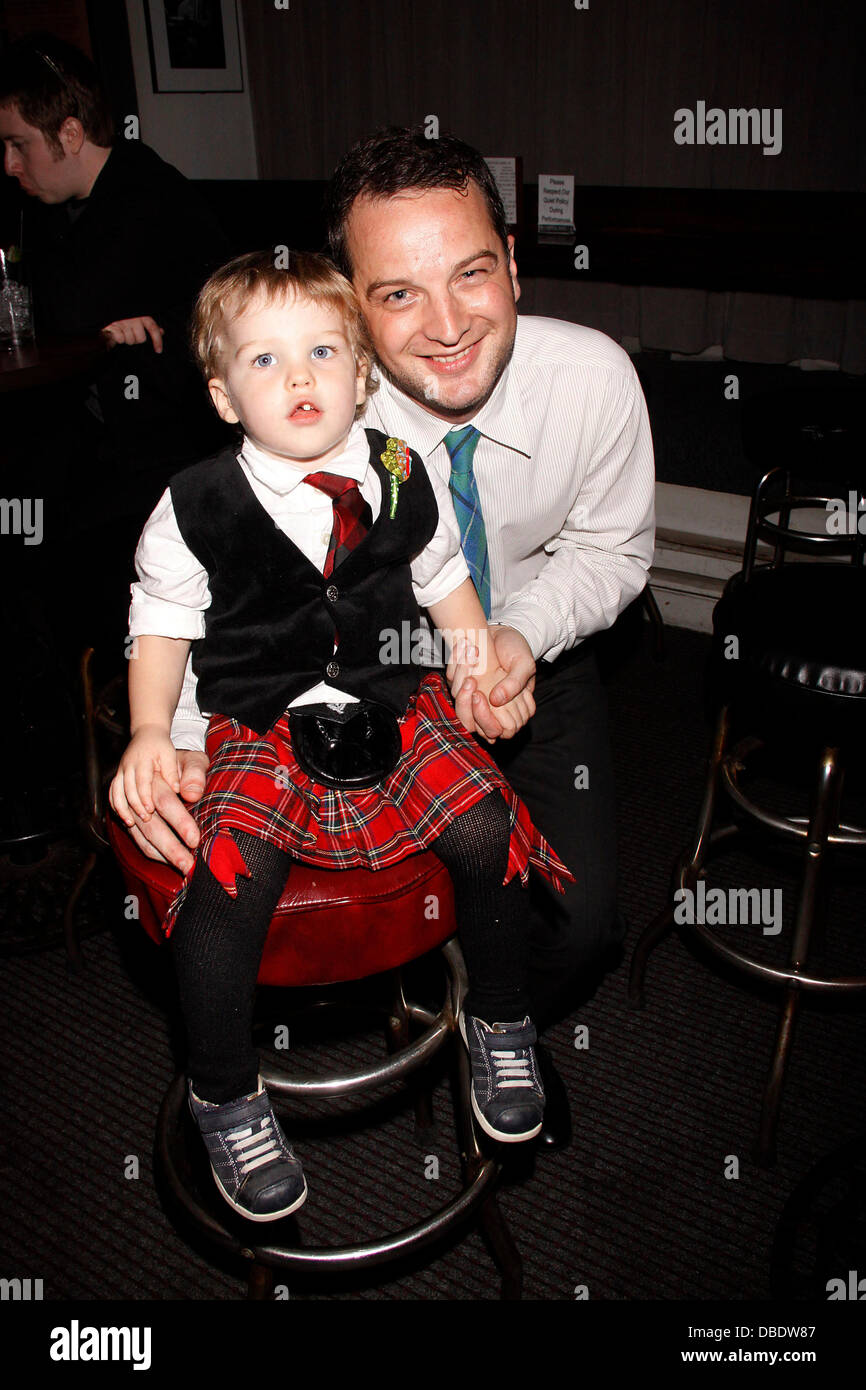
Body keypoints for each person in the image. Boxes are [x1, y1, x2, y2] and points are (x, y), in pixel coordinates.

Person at [115, 128, 656, 1147]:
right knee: (242, 880)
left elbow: (611, 552)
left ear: (510, 261)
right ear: (349, 302)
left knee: (572, 922)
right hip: (309, 693)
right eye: (398, 293)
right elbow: (190, 603)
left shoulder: (591, 382)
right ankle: (267, 1067)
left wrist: (512, 639)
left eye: (471, 274)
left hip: (525, 649)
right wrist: (172, 733)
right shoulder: (296, 416)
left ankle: (494, 1020)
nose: (448, 325)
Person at [109, 248, 574, 1221]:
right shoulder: (193, 503)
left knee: (490, 830)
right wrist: (153, 728)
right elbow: (159, 628)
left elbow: (444, 578)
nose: (300, 377)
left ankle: (498, 1016)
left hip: (395, 700)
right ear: (223, 394)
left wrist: (476, 658)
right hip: (260, 720)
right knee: (227, 887)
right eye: (265, 360)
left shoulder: (400, 468)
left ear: (362, 374)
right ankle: (224, 1089)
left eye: (323, 350)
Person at [0, 33, 232, 655]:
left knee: (38, 545)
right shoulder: (56, 210)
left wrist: (118, 333)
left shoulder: (149, 197)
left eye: (19, 145)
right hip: (96, 443)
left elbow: (75, 312)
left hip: (168, 458)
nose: (9, 165)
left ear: (70, 136)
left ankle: (85, 709)